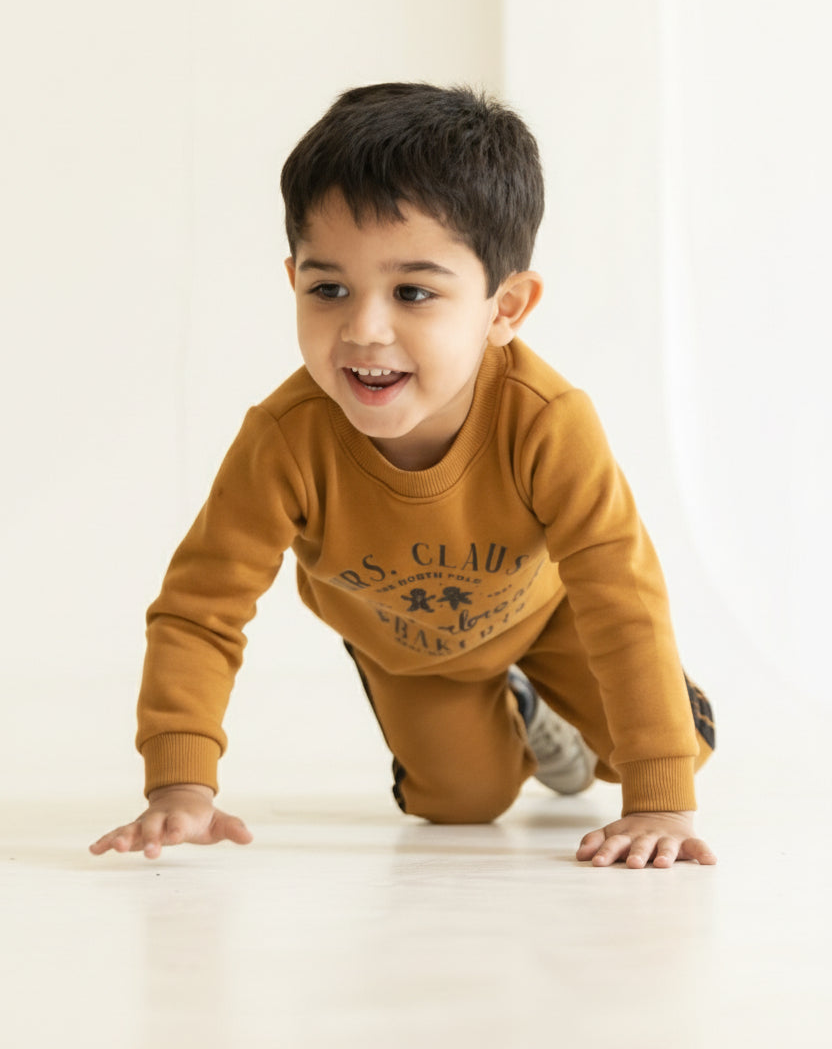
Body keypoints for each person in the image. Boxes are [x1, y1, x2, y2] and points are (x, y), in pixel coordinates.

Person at [90, 83, 716, 869]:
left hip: (552, 614)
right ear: (294, 285)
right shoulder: (285, 440)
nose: (364, 328)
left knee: (673, 754)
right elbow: (199, 611)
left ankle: (582, 721)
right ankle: (519, 718)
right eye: (329, 289)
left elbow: (623, 599)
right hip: (410, 650)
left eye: (414, 292)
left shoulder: (548, 421)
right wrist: (180, 786)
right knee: (461, 806)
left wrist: (660, 803)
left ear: (505, 308)